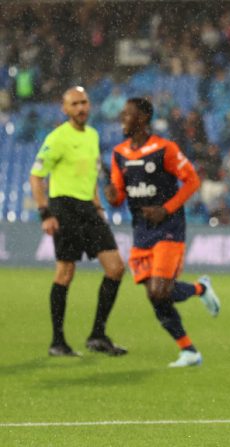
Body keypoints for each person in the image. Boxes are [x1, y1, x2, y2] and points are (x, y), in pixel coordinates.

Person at [104, 98, 221, 368]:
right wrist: (112, 196)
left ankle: (200, 291)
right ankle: (189, 349)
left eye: (127, 115)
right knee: (155, 296)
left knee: (159, 291)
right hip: (141, 231)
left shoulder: (165, 149)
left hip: (168, 228)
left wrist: (166, 210)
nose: (122, 119)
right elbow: (118, 196)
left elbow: (192, 180)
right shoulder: (119, 153)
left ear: (143, 118)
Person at [29, 86, 127, 357]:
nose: (80, 108)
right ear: (64, 108)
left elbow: (92, 175)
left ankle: (98, 334)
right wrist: (45, 213)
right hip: (63, 207)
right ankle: (57, 342)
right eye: (74, 104)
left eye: (84, 102)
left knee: (116, 268)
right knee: (65, 272)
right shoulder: (57, 137)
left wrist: (97, 205)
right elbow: (36, 176)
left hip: (87, 209)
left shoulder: (93, 135)